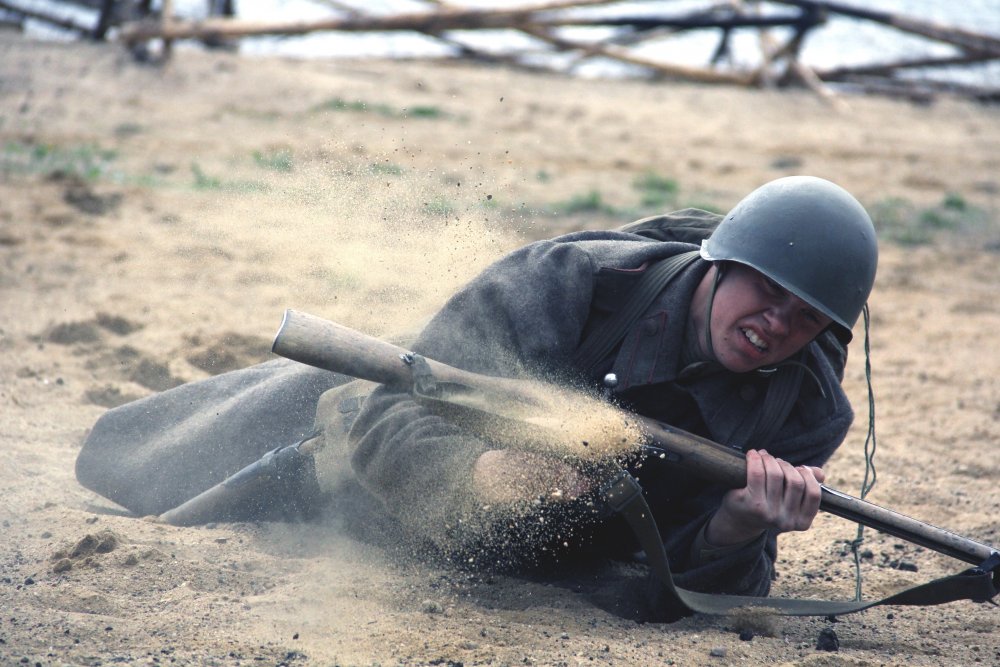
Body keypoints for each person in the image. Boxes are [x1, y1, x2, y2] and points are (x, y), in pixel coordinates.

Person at [75, 175, 878, 619]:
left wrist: (736, 526)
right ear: (718, 264)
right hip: (374, 481)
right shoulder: (573, 282)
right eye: (767, 292)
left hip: (563, 567)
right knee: (160, 470)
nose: (778, 324)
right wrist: (485, 476)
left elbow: (698, 584)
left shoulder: (807, 410)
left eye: (806, 316)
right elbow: (389, 414)